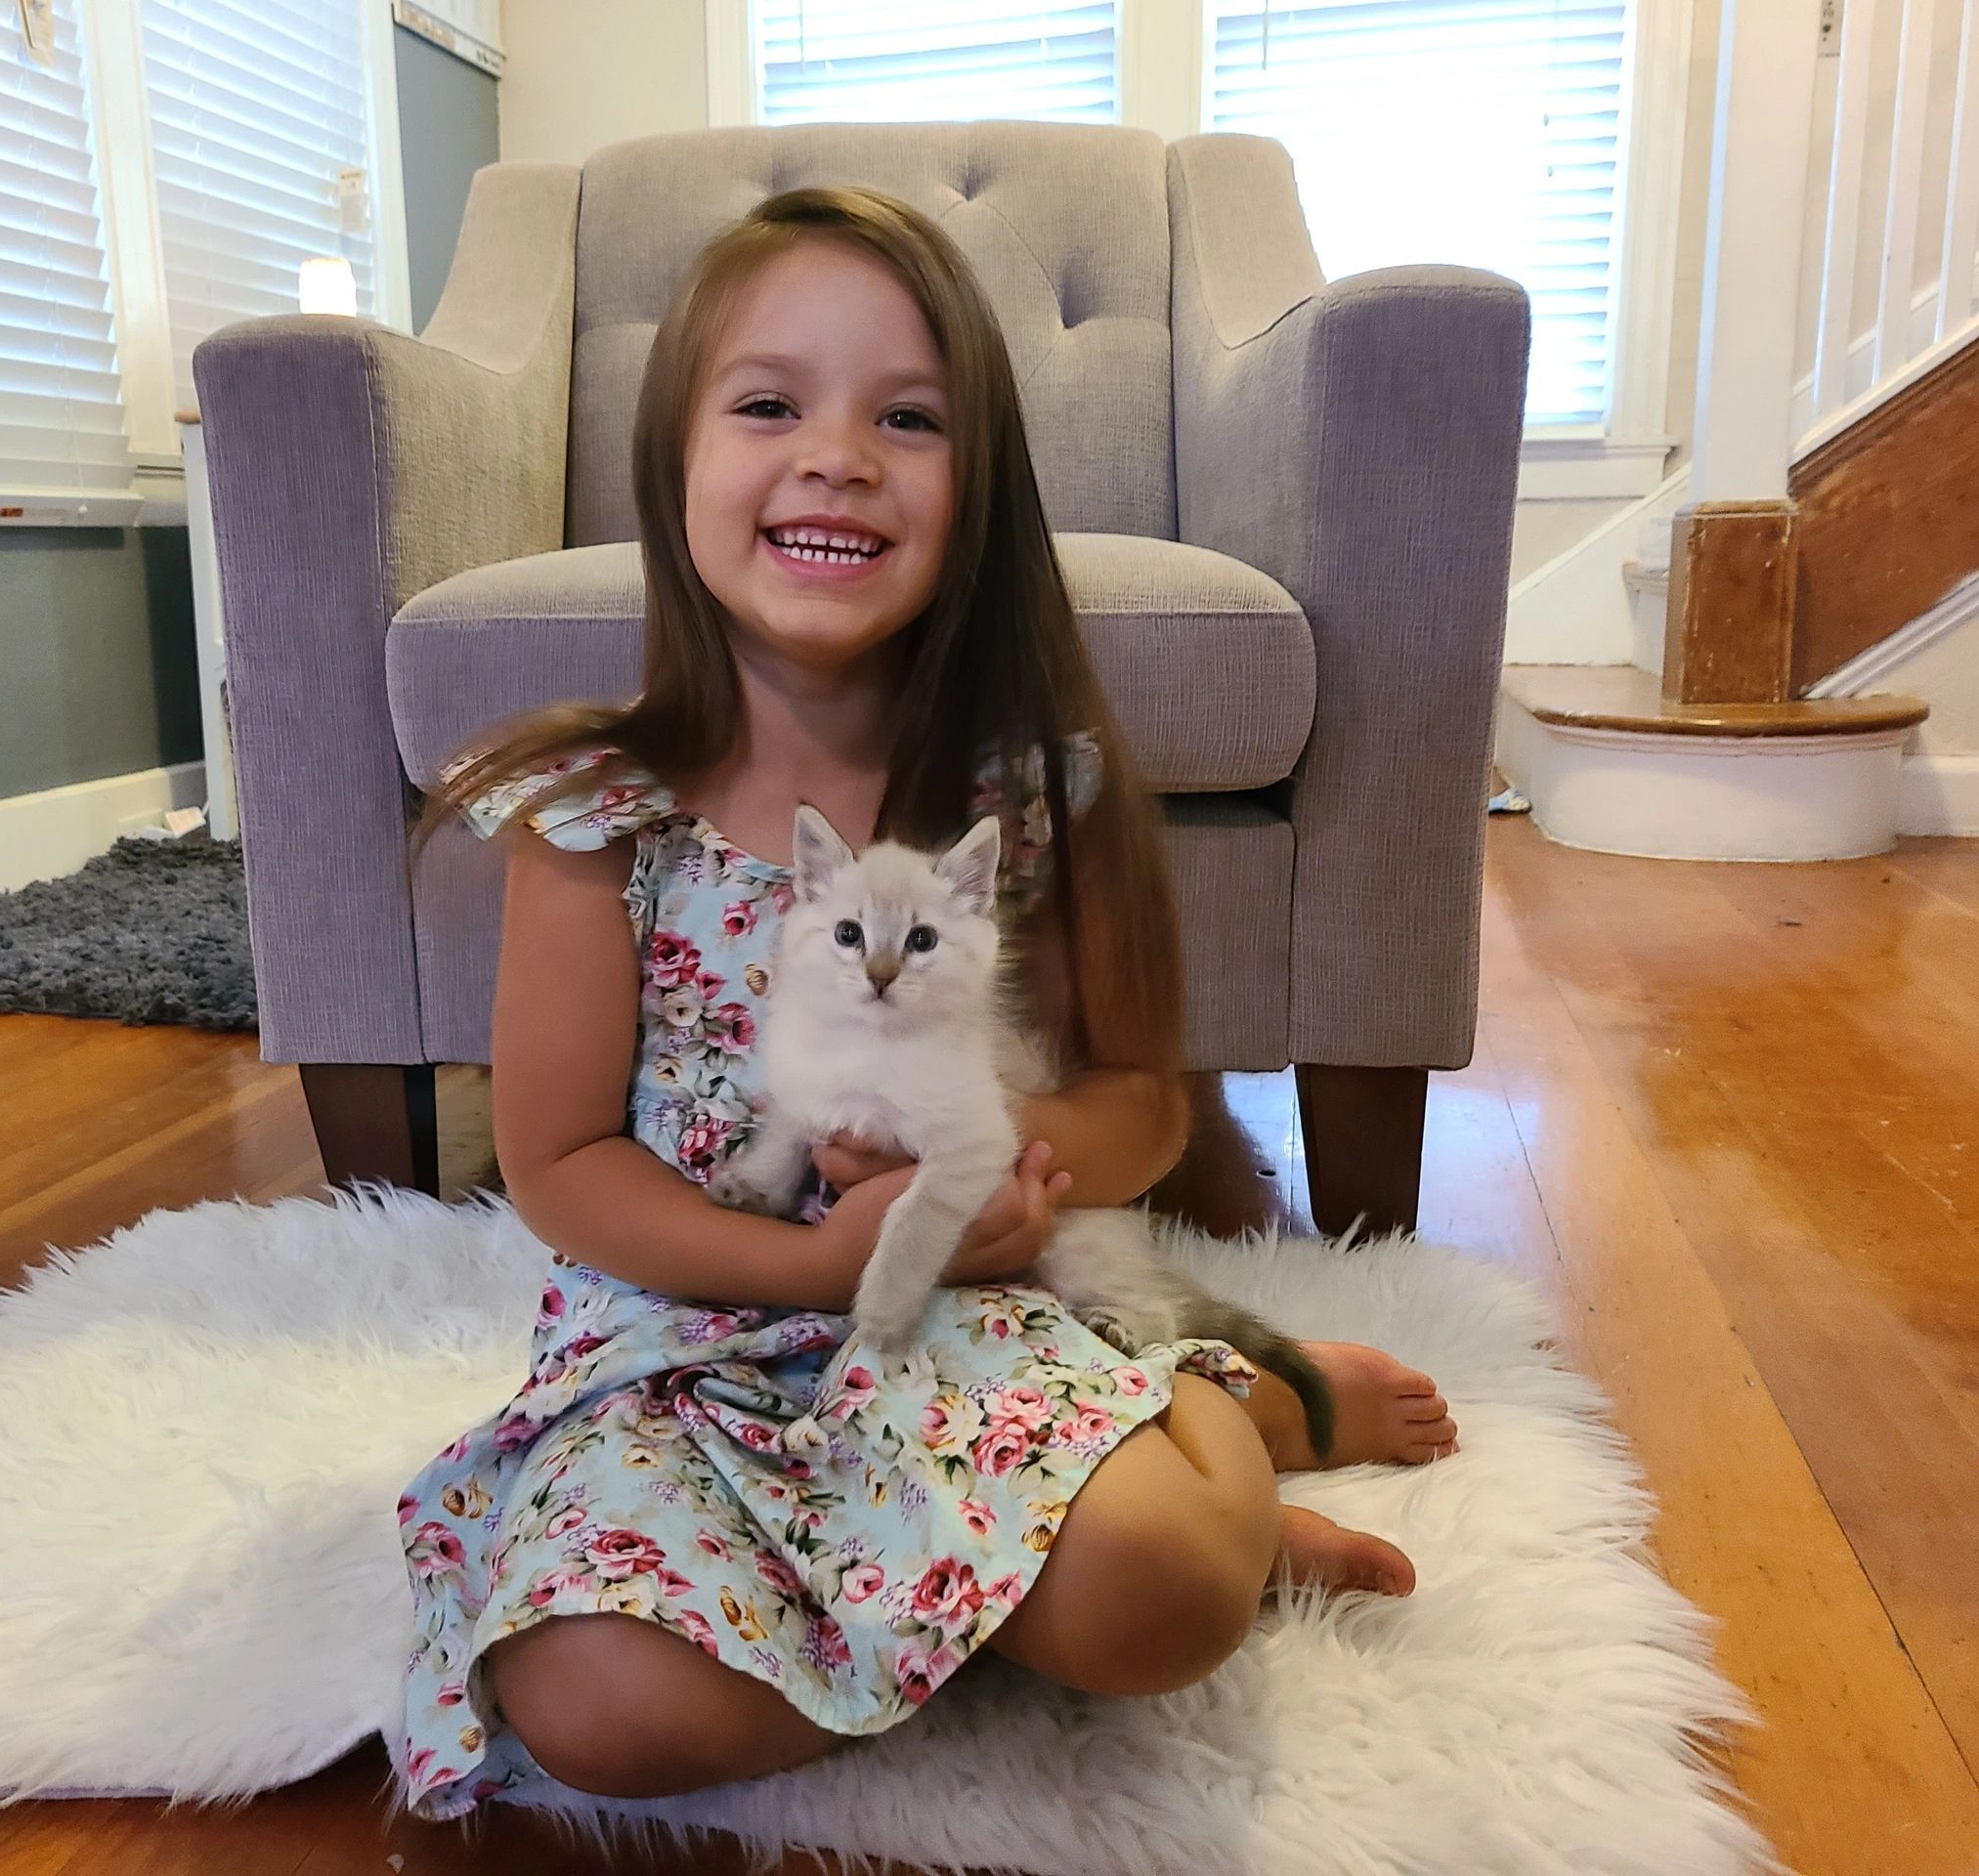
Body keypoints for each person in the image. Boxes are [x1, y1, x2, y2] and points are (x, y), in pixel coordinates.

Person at [390, 186, 1458, 1819]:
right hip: (687, 1339)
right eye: (768, 405)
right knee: (594, 1703)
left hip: (972, 1302)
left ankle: (1213, 1440)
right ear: (675, 468)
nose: (837, 454)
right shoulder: (598, 813)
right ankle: (1031, 1574)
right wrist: (810, 1262)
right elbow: (558, 1163)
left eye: (908, 417)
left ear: (984, 498)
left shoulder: (1030, 791)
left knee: (1160, 1588)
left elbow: (1140, 1103)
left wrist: (998, 1175)